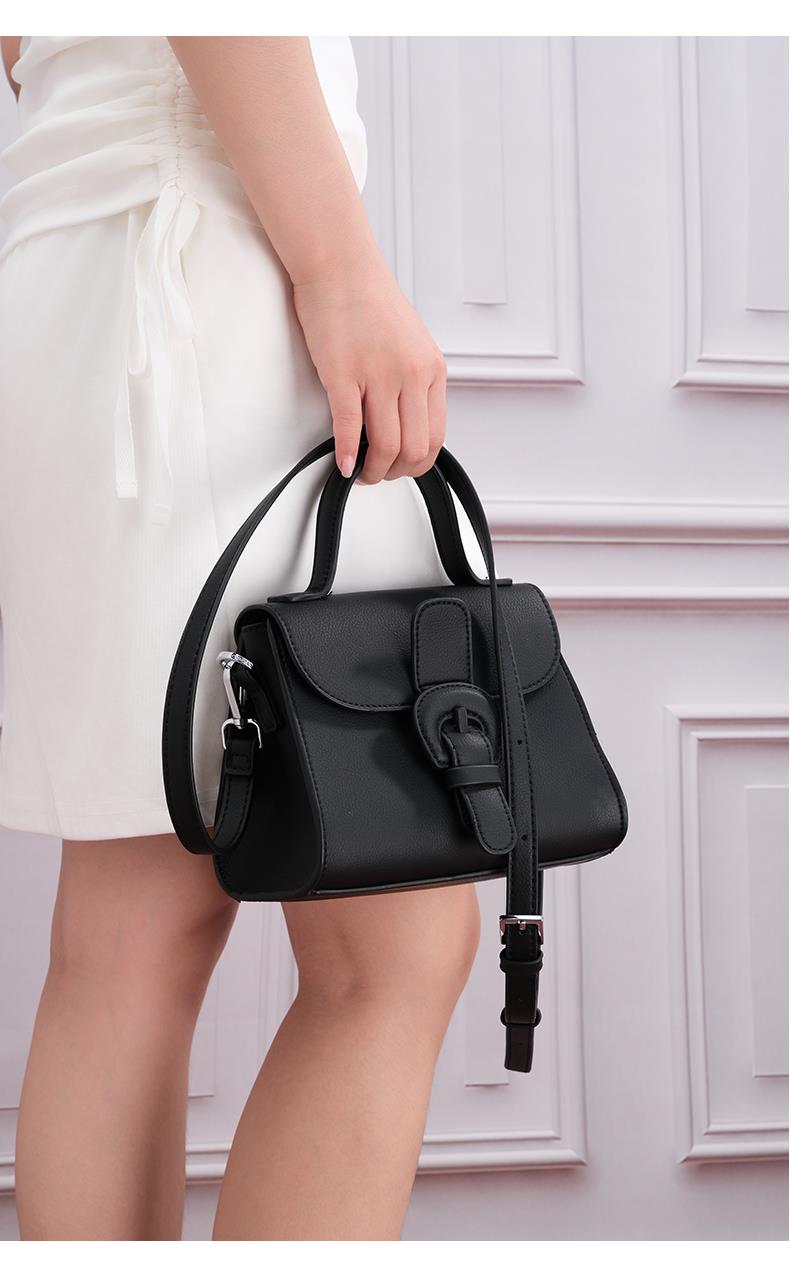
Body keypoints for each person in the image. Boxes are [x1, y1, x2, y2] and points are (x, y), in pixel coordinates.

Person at [0, 36, 481, 1241]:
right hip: (202, 268)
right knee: (389, 943)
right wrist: (340, 272)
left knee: (132, 930)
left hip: (92, 274)